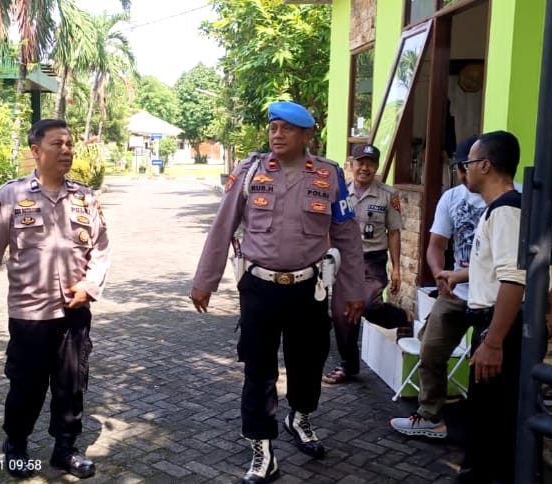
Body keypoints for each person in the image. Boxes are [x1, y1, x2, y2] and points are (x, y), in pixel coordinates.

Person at [190, 101, 366, 484]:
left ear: (307, 135)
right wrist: (205, 279)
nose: (277, 134)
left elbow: (348, 238)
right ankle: (262, 450)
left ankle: (299, 416)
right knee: (259, 371)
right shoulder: (251, 171)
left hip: (309, 290)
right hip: (259, 289)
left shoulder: (329, 175)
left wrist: (355, 291)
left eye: (287, 128)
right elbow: (223, 227)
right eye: (273, 127)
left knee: (308, 365)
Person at [0, 118, 110, 480]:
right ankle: (16, 446)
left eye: (69, 144)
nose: (66, 150)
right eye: (57, 144)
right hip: (29, 314)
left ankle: (65, 449)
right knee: (26, 386)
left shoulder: (85, 197)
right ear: (35, 151)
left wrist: (89, 287)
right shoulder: (11, 195)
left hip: (74, 311)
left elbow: (102, 249)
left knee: (71, 385)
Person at [447, 131, 552, 483]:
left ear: (485, 165)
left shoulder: (507, 209)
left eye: (467, 164)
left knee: (494, 426)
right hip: (503, 324)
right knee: (494, 422)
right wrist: (461, 273)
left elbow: (515, 277)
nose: (464, 172)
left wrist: (493, 342)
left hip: (502, 328)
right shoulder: (508, 208)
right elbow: (530, 264)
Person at [389, 136, 483, 438]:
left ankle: (485, 425)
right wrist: (440, 275)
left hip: (495, 297)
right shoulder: (452, 198)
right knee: (430, 349)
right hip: (456, 292)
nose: (461, 172)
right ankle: (430, 415)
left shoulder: (514, 200)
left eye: (464, 165)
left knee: (491, 363)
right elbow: (436, 245)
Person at [323, 143, 407, 384]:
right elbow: (328, 226)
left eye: (370, 163)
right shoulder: (338, 193)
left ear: (377, 167)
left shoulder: (388, 195)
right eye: (360, 162)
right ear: (352, 165)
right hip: (344, 260)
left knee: (368, 305)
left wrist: (398, 269)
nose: (365, 168)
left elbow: (394, 232)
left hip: (373, 260)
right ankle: (348, 366)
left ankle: (403, 318)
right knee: (342, 314)